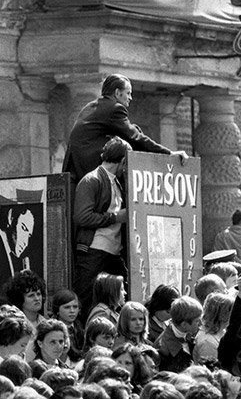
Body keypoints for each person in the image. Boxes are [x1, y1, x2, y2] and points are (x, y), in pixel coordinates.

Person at [62, 74, 187, 186]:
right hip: (91, 165)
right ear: (117, 93)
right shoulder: (115, 108)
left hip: (74, 166)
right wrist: (168, 153)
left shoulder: (91, 106)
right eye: (128, 93)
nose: (130, 98)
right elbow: (135, 137)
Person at [73, 137, 130, 320]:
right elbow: (82, 217)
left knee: (123, 294)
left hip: (114, 251)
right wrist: (115, 217)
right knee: (86, 297)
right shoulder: (92, 180)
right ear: (123, 160)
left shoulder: (117, 182)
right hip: (94, 250)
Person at [0, 205, 38, 286]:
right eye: (24, 229)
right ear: (11, 219)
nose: (25, 242)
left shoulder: (19, 261)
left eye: (29, 235)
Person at [155, 296, 202, 373]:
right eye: (197, 321)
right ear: (184, 325)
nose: (200, 324)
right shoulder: (163, 348)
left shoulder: (189, 334)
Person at [193, 292, 233, 363]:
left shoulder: (222, 331)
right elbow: (212, 367)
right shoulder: (207, 342)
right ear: (223, 314)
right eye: (232, 311)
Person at [52, 288, 84, 363]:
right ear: (57, 310)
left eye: (75, 307)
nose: (72, 311)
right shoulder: (52, 328)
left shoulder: (78, 326)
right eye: (67, 307)